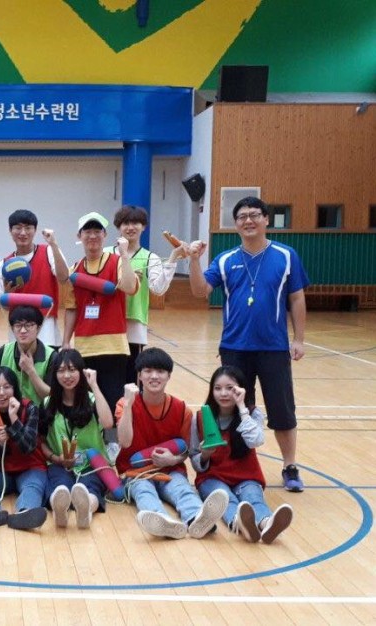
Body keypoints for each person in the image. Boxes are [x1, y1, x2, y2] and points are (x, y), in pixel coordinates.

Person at [187, 196, 309, 492]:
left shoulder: (286, 255)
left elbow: (296, 298)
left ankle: (290, 466)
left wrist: (299, 339)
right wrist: (193, 260)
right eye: (242, 216)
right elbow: (201, 291)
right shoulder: (226, 259)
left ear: (266, 219)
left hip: (273, 348)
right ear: (236, 224)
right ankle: (238, 465)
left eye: (255, 215)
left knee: (282, 410)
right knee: (237, 408)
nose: (249, 220)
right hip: (235, 348)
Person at [116, 348, 228, 540]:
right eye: (148, 371)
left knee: (183, 490)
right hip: (135, 473)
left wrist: (172, 460)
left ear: (169, 376)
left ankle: (197, 519)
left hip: (170, 470)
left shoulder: (181, 409)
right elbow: (124, 442)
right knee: (144, 492)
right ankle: (162, 521)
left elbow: (185, 450)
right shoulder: (124, 404)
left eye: (160, 371)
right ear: (139, 376)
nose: (154, 376)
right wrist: (128, 405)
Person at [189, 365, 294, 544]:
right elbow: (194, 458)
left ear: (240, 390)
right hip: (212, 478)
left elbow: (256, 440)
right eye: (217, 388)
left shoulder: (252, 414)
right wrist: (205, 455)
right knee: (225, 499)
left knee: (254, 499)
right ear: (211, 391)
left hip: (246, 476)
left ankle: (267, 523)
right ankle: (239, 523)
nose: (223, 393)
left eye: (230, 388)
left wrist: (241, 407)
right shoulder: (200, 417)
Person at [62, 211, 139, 446]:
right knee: (86, 402)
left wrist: (124, 254)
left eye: (97, 231)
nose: (92, 236)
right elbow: (71, 308)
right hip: (84, 348)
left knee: (114, 400)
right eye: (87, 231)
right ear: (79, 236)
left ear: (105, 235)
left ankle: (113, 447)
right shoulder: (75, 268)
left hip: (114, 347)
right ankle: (88, 446)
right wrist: (66, 341)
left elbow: (130, 287)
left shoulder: (117, 262)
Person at [106, 205, 184, 383]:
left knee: (131, 380)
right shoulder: (106, 254)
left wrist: (172, 258)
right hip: (108, 323)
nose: (130, 227)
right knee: (108, 376)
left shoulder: (150, 258)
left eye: (135, 223)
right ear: (118, 227)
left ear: (144, 227)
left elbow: (159, 289)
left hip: (134, 325)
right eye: (125, 223)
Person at [41, 349, 114, 529]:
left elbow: (108, 423)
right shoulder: (47, 404)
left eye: (72, 370)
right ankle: (59, 510)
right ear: (54, 374)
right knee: (60, 486)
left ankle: (87, 510)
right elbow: (40, 441)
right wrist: (56, 458)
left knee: (90, 487)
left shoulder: (93, 400)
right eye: (61, 370)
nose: (67, 376)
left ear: (81, 371)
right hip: (60, 464)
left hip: (91, 464)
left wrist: (94, 385)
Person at [0, 367, 48, 531]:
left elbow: (29, 447)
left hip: (29, 467)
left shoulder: (30, 408)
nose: (1, 393)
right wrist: (0, 445)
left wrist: (14, 420)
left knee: (34, 485)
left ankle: (25, 512)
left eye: (7, 387)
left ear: (15, 389)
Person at [0, 209, 68, 346]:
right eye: (18, 228)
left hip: (45, 324)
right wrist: (7, 294)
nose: (23, 233)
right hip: (18, 326)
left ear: (35, 230)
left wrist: (53, 244)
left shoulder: (49, 251)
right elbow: (2, 305)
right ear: (10, 231)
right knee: (19, 360)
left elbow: (64, 278)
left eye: (28, 228)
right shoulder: (3, 265)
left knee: (46, 359)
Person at [0, 305, 55, 404]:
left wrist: (31, 371)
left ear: (38, 328)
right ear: (12, 328)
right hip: (8, 411)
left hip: (40, 412)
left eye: (29, 325)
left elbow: (52, 398)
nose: (23, 331)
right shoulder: (2, 352)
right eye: (18, 325)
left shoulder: (51, 356)